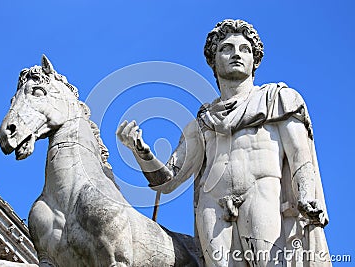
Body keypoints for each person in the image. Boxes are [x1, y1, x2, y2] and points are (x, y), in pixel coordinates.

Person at [117, 19, 330, 266]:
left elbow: (299, 157)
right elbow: (167, 181)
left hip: (262, 197)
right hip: (213, 208)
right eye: (226, 48)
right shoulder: (203, 122)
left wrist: (306, 196)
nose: (236, 54)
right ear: (213, 60)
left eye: (245, 49)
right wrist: (141, 152)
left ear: (255, 60)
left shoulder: (278, 99)